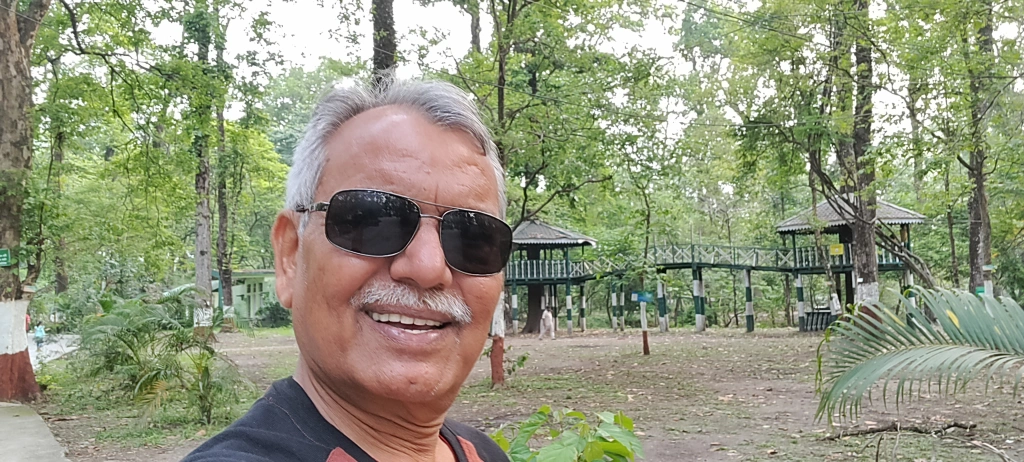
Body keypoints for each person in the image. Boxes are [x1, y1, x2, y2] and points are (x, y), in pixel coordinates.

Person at [183, 75, 513, 462]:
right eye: (372, 222)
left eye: (472, 236)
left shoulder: (484, 453)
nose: (428, 267)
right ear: (290, 256)